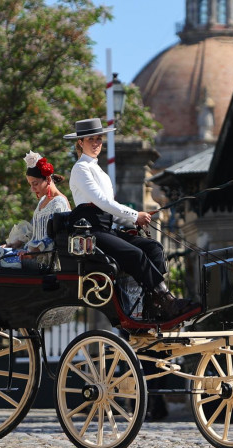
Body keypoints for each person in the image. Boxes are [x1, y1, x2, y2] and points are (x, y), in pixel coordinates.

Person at [64, 118, 199, 321]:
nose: (96, 143)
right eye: (91, 139)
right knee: (135, 254)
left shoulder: (100, 171)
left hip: (106, 228)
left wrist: (134, 221)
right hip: (92, 233)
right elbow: (102, 202)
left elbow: (109, 211)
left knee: (154, 248)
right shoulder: (80, 168)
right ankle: (167, 301)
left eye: (98, 139)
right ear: (80, 142)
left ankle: (152, 306)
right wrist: (135, 215)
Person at [2, 151, 71, 267]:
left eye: (35, 184)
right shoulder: (42, 201)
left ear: (48, 179)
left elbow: (56, 237)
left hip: (46, 261)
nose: (33, 189)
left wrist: (33, 252)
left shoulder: (59, 202)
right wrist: (16, 243)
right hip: (33, 256)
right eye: (30, 185)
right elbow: (35, 229)